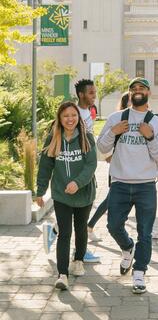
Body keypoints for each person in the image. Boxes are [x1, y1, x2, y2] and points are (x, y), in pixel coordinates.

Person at [97, 78, 158, 294]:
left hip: (146, 185)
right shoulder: (115, 118)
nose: (137, 91)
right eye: (134, 89)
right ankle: (127, 247)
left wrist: (150, 138)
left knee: (145, 232)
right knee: (113, 225)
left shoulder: (157, 123)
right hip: (119, 183)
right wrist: (113, 132)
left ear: (149, 93)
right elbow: (101, 148)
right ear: (129, 94)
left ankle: (139, 273)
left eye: (142, 88)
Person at [36, 101, 97, 290]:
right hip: (61, 194)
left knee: (80, 229)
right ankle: (62, 274)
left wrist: (77, 183)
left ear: (78, 117)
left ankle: (78, 260)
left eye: (73, 115)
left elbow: (91, 165)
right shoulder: (53, 138)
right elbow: (46, 166)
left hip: (84, 193)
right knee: (64, 232)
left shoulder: (86, 137)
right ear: (60, 119)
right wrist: (40, 190)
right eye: (66, 116)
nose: (70, 119)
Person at [42, 79, 100, 263]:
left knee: (78, 223)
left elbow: (89, 150)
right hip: (69, 177)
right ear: (81, 94)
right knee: (72, 224)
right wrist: (40, 189)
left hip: (83, 175)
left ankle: (78, 254)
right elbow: (47, 161)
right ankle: (59, 237)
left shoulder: (87, 114)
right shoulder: (75, 113)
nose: (94, 96)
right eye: (91, 93)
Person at [87, 92, 131, 242]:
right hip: (118, 171)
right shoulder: (118, 120)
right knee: (109, 200)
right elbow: (105, 143)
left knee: (111, 200)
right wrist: (109, 156)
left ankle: (146, 230)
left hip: (133, 172)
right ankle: (89, 226)